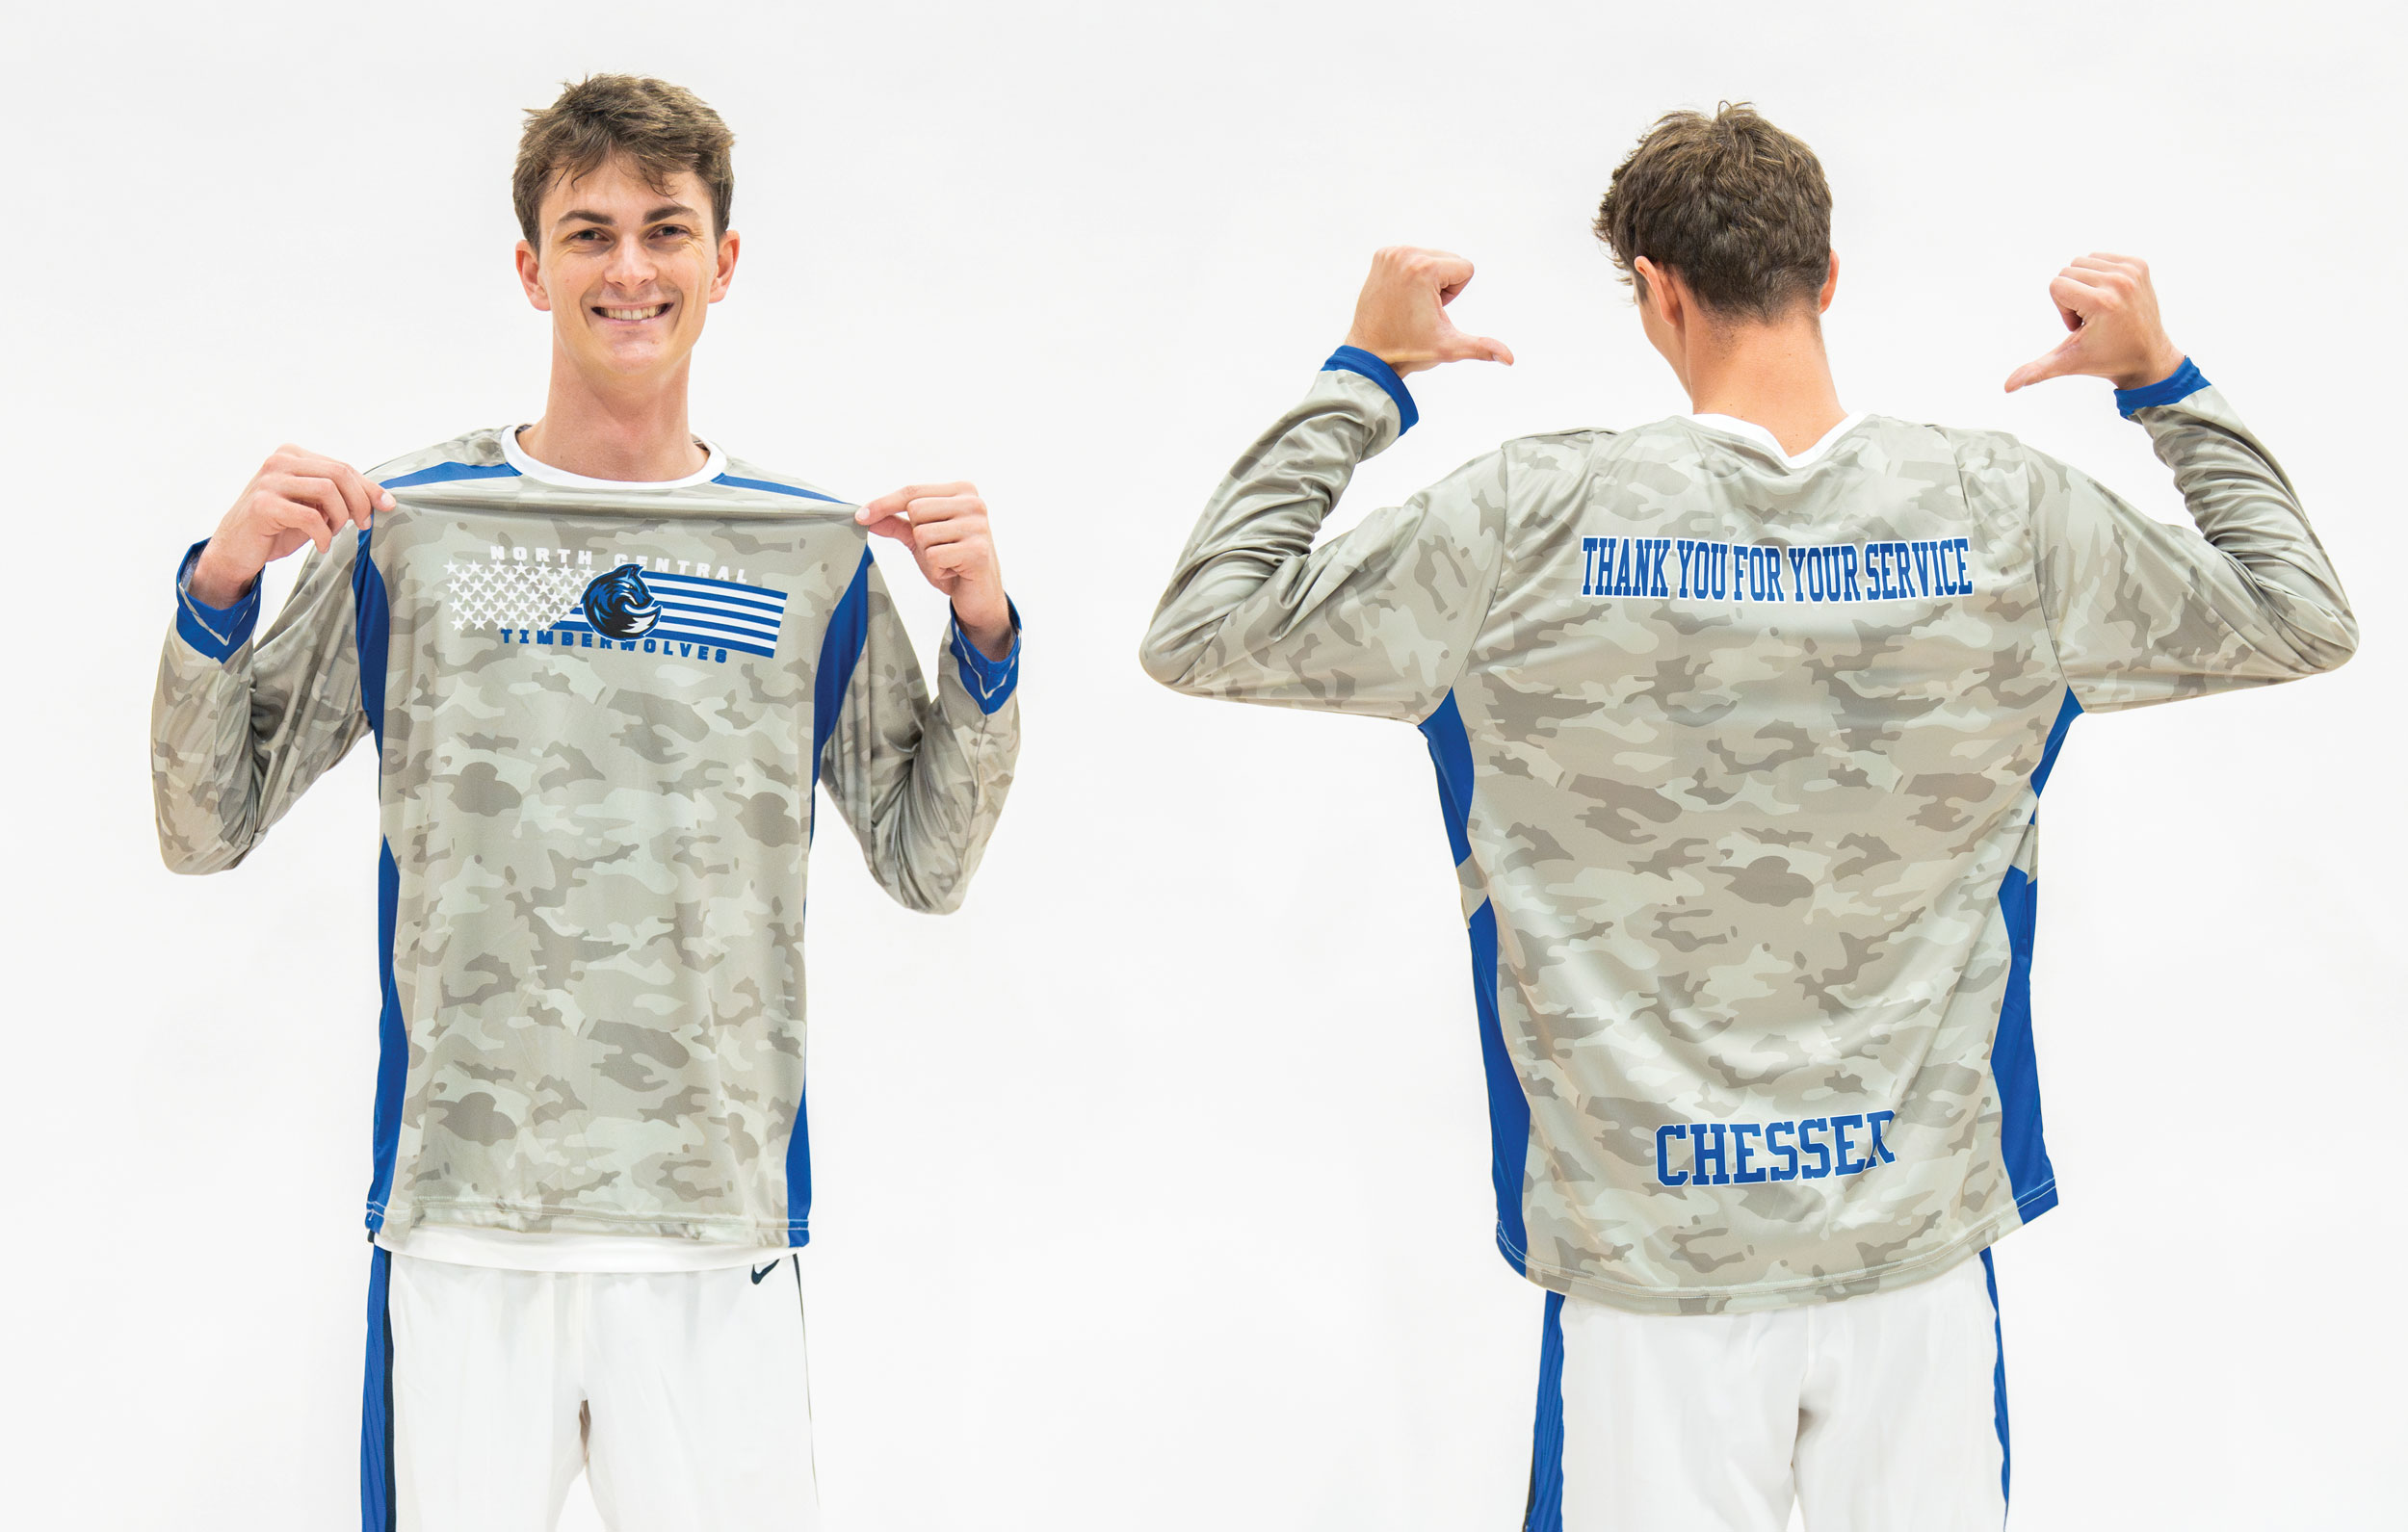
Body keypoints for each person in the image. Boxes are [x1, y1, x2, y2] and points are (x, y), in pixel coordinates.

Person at [1139, 103, 2353, 1531]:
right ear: (1827, 276)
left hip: (1651, 1275)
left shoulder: (1531, 520)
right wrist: (2163, 382)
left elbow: (1203, 627)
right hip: (1913, 1268)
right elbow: (2301, 615)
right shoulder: (2004, 516)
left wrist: (1366, 374)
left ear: (1655, 289)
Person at [151, 74, 1022, 1532]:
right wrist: (221, 586)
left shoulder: (804, 553)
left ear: (723, 262)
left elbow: (928, 863)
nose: (630, 270)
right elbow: (204, 822)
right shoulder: (406, 530)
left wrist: (983, 637)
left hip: (713, 1226)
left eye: (666, 230)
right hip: (462, 1225)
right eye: (590, 232)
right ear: (530, 265)